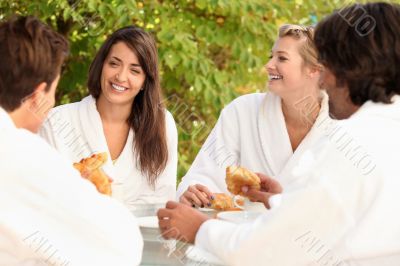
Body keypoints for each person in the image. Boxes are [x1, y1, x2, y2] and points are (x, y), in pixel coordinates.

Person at [158, 2, 400, 265]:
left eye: (327, 65)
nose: (323, 80)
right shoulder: (388, 127)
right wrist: (283, 202)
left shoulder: (350, 141)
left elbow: (273, 251)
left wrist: (199, 230)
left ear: (351, 66)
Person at [0, 16, 143, 265]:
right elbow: (124, 246)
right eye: (54, 89)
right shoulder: (28, 156)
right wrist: (88, 194)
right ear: (37, 96)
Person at [177, 24, 330, 208]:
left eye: (281, 58)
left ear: (314, 69)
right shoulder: (242, 111)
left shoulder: (343, 125)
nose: (269, 65)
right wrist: (195, 193)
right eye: (271, 56)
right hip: (243, 232)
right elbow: (206, 173)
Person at [39, 26, 178, 208]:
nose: (120, 76)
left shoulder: (163, 124)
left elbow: (162, 202)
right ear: (101, 65)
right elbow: (40, 197)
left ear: (145, 81)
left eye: (134, 71)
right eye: (114, 63)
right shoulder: (58, 121)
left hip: (137, 236)